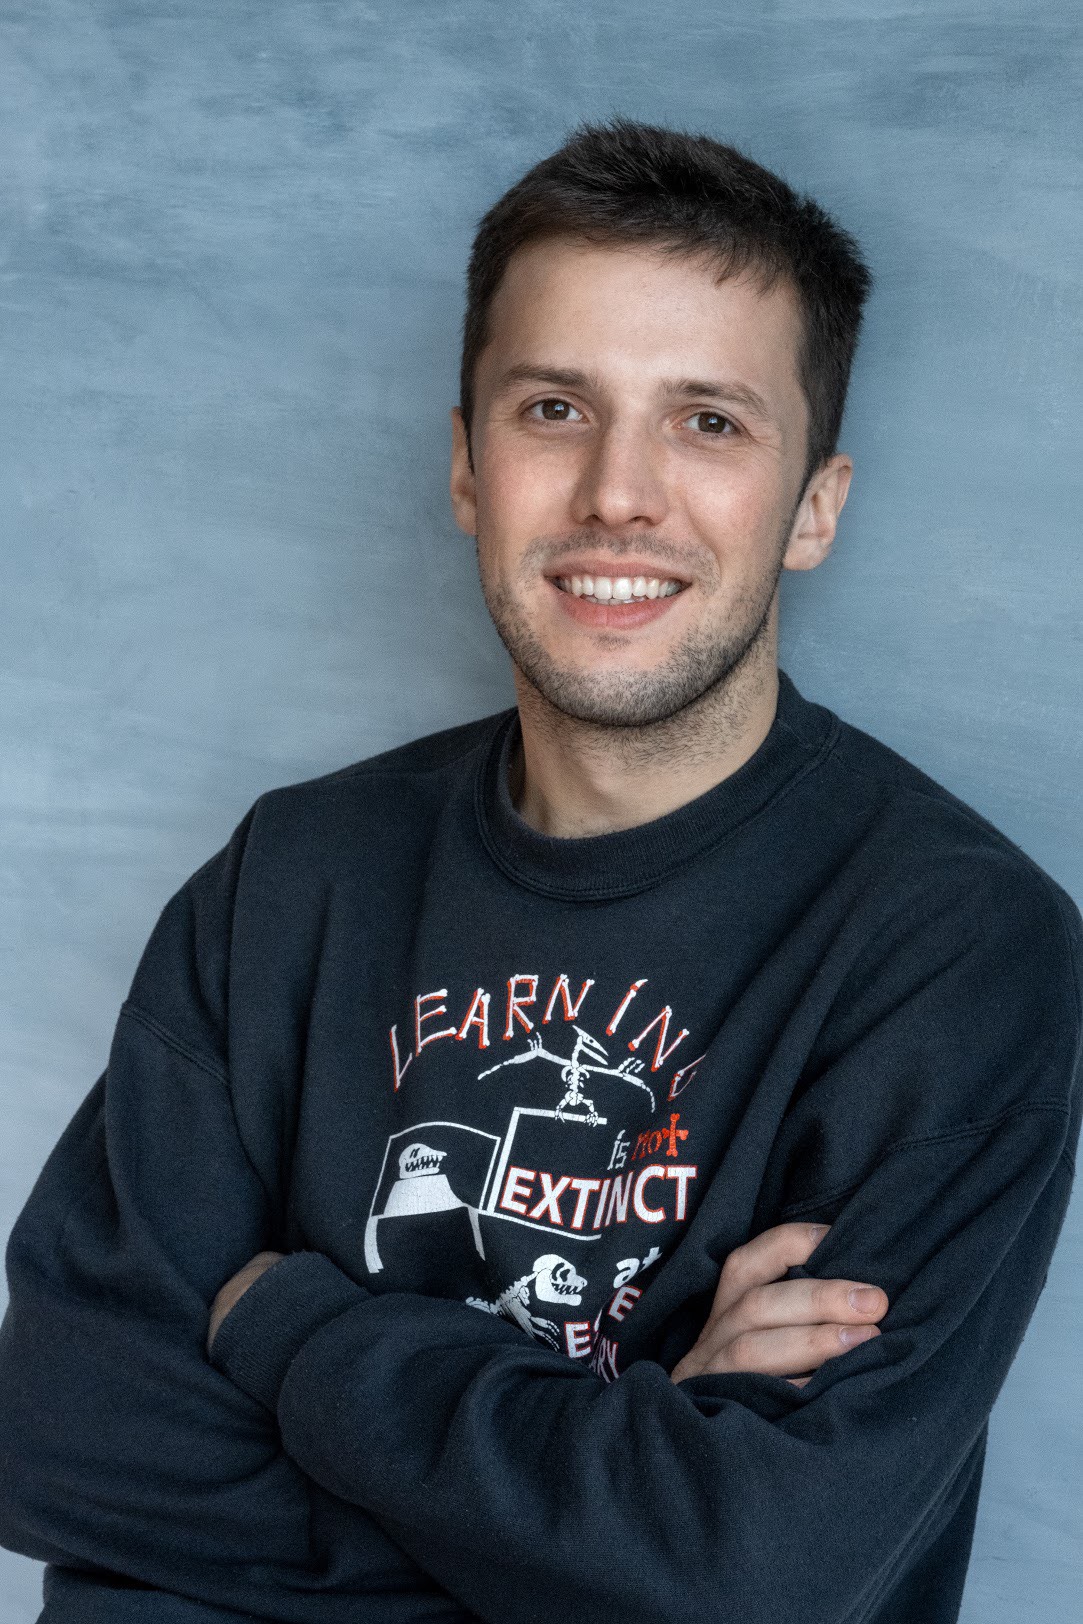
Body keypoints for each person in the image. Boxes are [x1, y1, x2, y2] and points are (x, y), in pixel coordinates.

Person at [1, 118, 1079, 1624]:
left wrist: (291, 1329)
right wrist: (615, 1496)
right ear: (467, 466)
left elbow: (755, 1574)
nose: (618, 494)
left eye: (709, 422)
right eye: (556, 408)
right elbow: (60, 1431)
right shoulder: (287, 881)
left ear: (816, 506)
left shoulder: (956, 947)